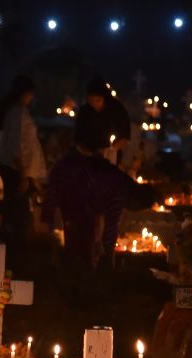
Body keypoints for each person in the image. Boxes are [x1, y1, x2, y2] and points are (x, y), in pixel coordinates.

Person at [42, 106, 135, 274]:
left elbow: (50, 204)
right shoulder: (91, 169)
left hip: (83, 238)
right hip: (76, 235)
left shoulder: (65, 166)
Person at [0, 75, 45, 267]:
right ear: (26, 93)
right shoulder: (17, 112)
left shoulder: (16, 112)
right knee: (18, 213)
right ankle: (17, 258)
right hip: (15, 170)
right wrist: (24, 175)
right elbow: (16, 146)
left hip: (16, 170)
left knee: (17, 211)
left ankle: (15, 255)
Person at [80, 78, 130, 165]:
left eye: (98, 101)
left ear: (105, 97)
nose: (95, 105)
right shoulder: (85, 111)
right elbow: (78, 137)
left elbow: (125, 136)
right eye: (91, 101)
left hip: (111, 159)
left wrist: (109, 150)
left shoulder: (117, 110)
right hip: (88, 160)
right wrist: (86, 151)